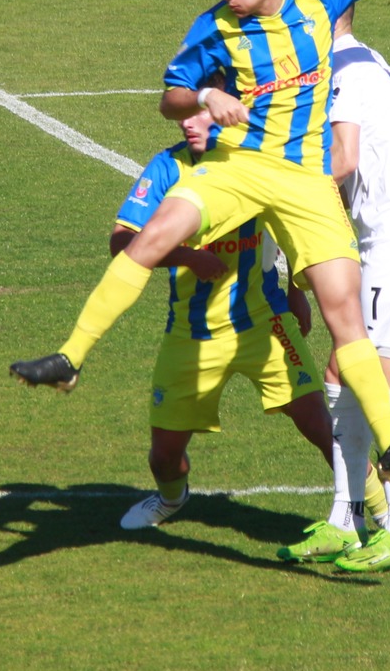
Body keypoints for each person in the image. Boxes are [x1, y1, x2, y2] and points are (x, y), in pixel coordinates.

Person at [11, 0, 390, 487]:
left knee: (344, 316)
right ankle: (69, 358)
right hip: (239, 167)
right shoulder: (214, 26)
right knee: (152, 239)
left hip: (303, 181)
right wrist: (201, 97)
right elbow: (168, 98)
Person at [111, 101, 350, 531]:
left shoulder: (257, 163)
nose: (186, 122)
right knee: (164, 456)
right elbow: (121, 242)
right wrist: (187, 257)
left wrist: (295, 290)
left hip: (265, 322)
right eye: (182, 114)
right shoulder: (168, 167)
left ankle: (383, 514)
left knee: (321, 427)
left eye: (197, 112)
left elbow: (289, 227)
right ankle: (170, 498)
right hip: (191, 333)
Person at [288, 5, 390, 571]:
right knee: (345, 372)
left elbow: (343, 158)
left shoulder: (346, 72)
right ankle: (346, 518)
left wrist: (281, 185)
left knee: (371, 377)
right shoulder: (367, 59)